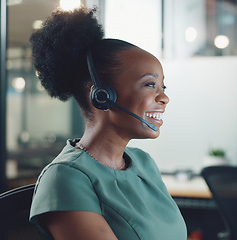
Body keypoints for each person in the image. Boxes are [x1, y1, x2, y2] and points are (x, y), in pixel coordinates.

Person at [28, 7, 187, 240]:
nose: (164, 98)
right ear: (101, 96)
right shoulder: (65, 178)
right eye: (149, 85)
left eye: (163, 87)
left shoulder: (144, 164)